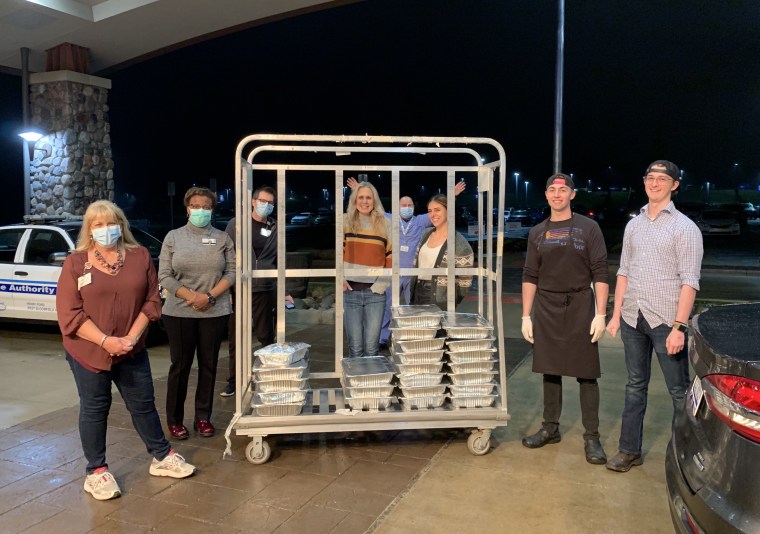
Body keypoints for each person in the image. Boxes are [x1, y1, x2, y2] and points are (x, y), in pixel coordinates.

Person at [56, 200, 195, 501]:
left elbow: (152, 301)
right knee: (95, 408)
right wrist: (106, 341)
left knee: (143, 404)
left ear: (122, 225)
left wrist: (130, 338)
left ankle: (162, 456)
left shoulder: (139, 256)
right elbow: (70, 314)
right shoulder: (76, 262)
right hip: (89, 351)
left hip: (131, 348)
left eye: (112, 223)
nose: (107, 229)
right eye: (99, 224)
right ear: (90, 230)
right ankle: (96, 472)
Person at [605, 160, 703, 472]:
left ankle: (685, 456)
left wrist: (679, 326)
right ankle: (628, 450)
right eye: (650, 177)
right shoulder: (633, 225)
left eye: (662, 179)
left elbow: (690, 280)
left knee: (678, 393)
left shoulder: (685, 228)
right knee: (635, 386)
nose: (655, 183)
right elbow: (623, 272)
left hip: (666, 323)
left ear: (675, 184)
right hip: (634, 318)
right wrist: (615, 314)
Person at [519, 174, 609, 464]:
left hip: (581, 304)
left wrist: (600, 313)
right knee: (550, 369)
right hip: (546, 305)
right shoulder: (537, 232)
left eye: (563, 190)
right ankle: (550, 428)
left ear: (572, 194)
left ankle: (592, 437)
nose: (557, 195)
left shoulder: (588, 227)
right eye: (552, 190)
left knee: (586, 373)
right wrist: (525, 315)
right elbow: (530, 275)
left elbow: (601, 272)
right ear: (546, 195)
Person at [347, 177, 466, 347]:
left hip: (412, 274)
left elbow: (439, 210)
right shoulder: (389, 218)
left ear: (414, 208)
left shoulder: (420, 221)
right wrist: (357, 189)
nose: (407, 208)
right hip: (393, 273)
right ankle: (383, 339)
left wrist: (452, 196)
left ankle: (411, 336)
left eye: (409, 205)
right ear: (397, 207)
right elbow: (371, 207)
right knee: (388, 307)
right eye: (403, 205)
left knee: (413, 307)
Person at [159, 187, 235, 439]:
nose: (200, 210)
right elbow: (164, 276)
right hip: (179, 312)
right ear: (187, 209)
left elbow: (232, 272)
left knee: (209, 366)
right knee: (180, 366)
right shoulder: (173, 237)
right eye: (196, 206)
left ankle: (203, 417)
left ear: (213, 210)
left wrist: (210, 296)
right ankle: (175, 420)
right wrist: (192, 296)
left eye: (206, 206)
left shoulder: (223, 238)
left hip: (214, 311)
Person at [220, 185, 293, 397]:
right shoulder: (237, 224)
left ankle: (267, 377)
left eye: (270, 203)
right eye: (263, 201)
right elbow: (226, 256)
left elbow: (281, 259)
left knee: (265, 335)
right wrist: (227, 289)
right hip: (240, 288)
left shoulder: (275, 227)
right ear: (253, 201)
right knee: (237, 337)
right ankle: (234, 381)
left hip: (266, 288)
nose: (266, 205)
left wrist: (285, 289)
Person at [343, 181, 392, 357]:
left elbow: (391, 257)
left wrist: (381, 285)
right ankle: (356, 383)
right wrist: (340, 278)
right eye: (361, 197)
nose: (365, 201)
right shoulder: (345, 221)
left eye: (368, 197)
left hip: (375, 294)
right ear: (355, 200)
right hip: (350, 292)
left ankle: (371, 383)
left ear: (374, 200)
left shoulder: (385, 224)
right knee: (355, 348)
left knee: (372, 349)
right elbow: (338, 253)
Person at [410, 194, 474, 309]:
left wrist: (450, 299)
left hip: (439, 298)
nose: (432, 215)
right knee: (417, 327)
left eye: (437, 210)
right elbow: (416, 263)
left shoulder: (459, 243)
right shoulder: (426, 234)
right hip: (417, 292)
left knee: (438, 328)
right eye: (430, 211)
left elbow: (465, 281)